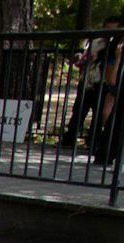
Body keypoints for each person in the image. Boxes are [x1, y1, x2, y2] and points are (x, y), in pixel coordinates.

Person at [60, 16, 122, 149]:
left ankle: (93, 142)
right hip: (88, 80)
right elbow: (85, 58)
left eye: (113, 30)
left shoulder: (117, 47)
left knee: (99, 114)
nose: (109, 33)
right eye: (107, 29)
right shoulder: (95, 42)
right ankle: (69, 139)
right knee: (78, 111)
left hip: (103, 83)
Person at [93, 25, 124, 166]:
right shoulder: (114, 56)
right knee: (112, 120)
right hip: (117, 93)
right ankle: (105, 156)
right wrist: (118, 58)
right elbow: (112, 80)